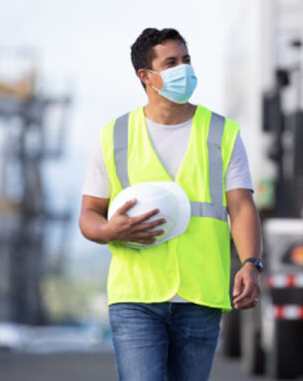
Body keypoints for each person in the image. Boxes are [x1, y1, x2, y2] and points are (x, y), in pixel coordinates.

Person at [79, 27, 263, 381]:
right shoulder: (113, 136)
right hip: (135, 297)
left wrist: (251, 263)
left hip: (200, 297)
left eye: (187, 60)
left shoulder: (222, 133)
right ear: (146, 76)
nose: (185, 69)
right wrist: (107, 230)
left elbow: (241, 207)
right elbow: (88, 214)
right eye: (172, 63)